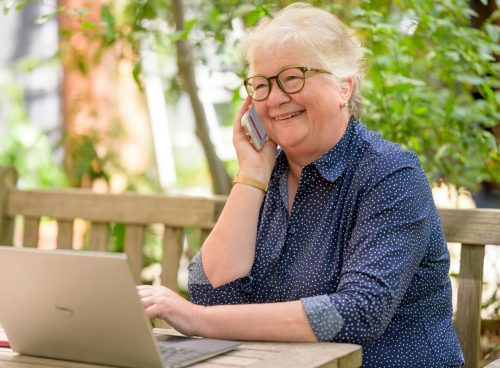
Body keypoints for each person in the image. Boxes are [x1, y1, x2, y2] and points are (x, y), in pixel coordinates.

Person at [137, 3, 464, 367]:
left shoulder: (390, 174)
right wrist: (252, 175)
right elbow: (210, 293)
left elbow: (358, 312)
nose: (275, 98)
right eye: (261, 85)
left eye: (292, 78)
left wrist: (196, 321)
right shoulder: (267, 177)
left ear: (344, 87)